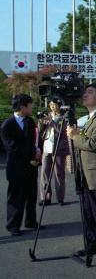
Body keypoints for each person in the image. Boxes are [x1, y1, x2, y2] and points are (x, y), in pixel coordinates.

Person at [66, 84, 96, 267]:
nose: (85, 95)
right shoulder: (91, 118)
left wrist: (74, 136)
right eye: (85, 91)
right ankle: (93, 245)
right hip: (86, 175)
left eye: (90, 92)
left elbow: (94, 144)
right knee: (89, 215)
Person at [1, 94, 41, 236]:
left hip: (31, 166)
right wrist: (32, 152)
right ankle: (13, 225)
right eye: (30, 104)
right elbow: (12, 147)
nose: (32, 107)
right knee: (16, 197)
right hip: (16, 167)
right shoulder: (8, 125)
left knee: (31, 195)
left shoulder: (30, 121)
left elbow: (37, 139)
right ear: (22, 106)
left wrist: (38, 150)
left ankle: (31, 221)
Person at [38, 98, 70, 206]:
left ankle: (60, 197)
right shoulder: (47, 115)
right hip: (47, 147)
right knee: (44, 173)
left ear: (59, 105)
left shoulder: (63, 116)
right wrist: (41, 122)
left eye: (54, 104)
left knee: (58, 173)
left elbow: (61, 131)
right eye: (51, 105)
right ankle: (45, 197)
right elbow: (41, 131)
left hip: (59, 148)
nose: (52, 107)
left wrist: (51, 122)